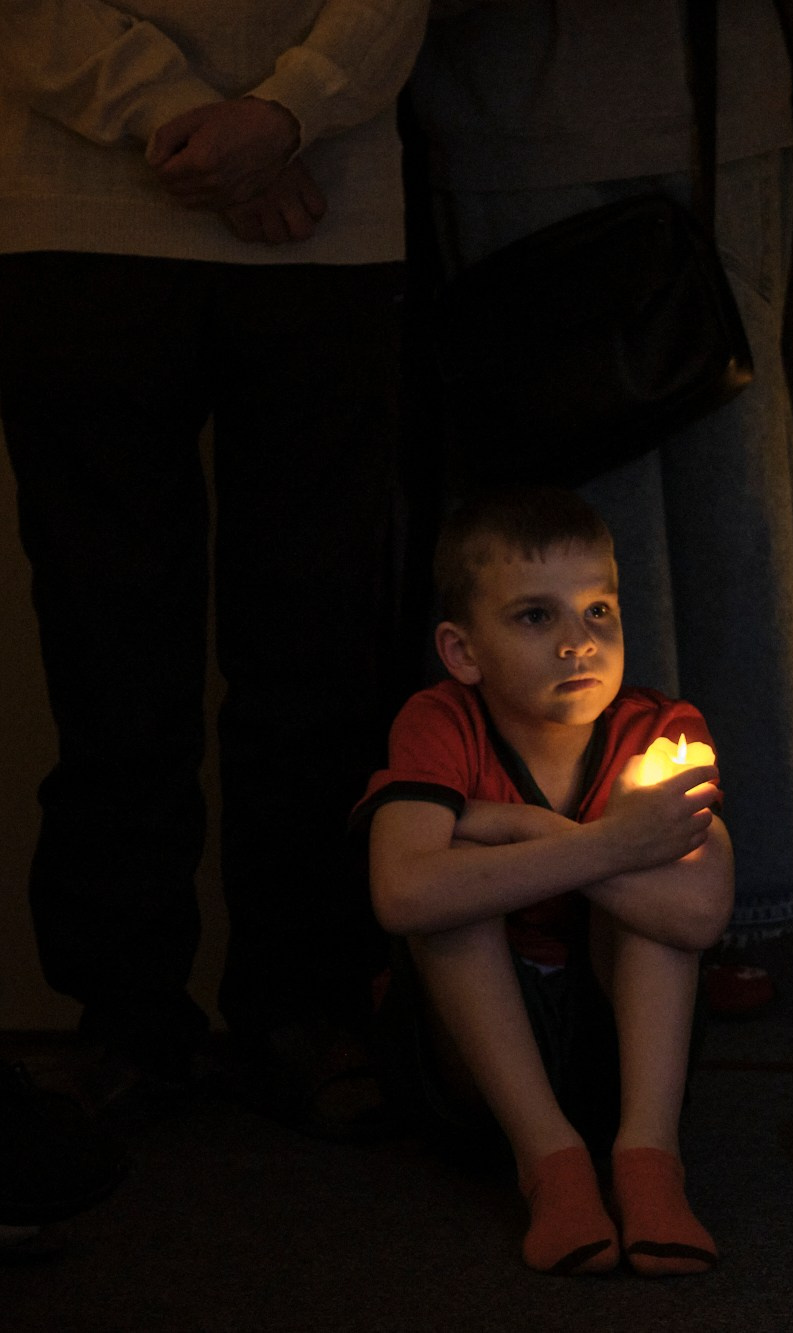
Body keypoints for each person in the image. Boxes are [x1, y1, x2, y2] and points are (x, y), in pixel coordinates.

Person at [0, 0, 425, 1130]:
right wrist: (202, 122)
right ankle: (128, 1015)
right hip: (82, 215)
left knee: (317, 643)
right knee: (108, 649)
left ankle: (302, 1002)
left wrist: (289, 109)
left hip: (326, 207)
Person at [406, 0, 793, 1004]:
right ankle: (565, 897)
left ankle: (701, 893)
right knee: (566, 529)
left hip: (704, 97)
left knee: (721, 507)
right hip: (519, 99)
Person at [356, 489, 732, 1276]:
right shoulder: (439, 720)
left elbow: (700, 913)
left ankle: (649, 1161)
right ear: (463, 652)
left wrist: (531, 829)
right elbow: (401, 892)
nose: (578, 643)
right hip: (475, 1078)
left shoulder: (663, 728)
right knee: (453, 904)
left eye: (599, 612)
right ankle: (551, 1162)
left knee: (653, 909)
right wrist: (617, 845)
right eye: (536, 616)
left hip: (616, 1059)